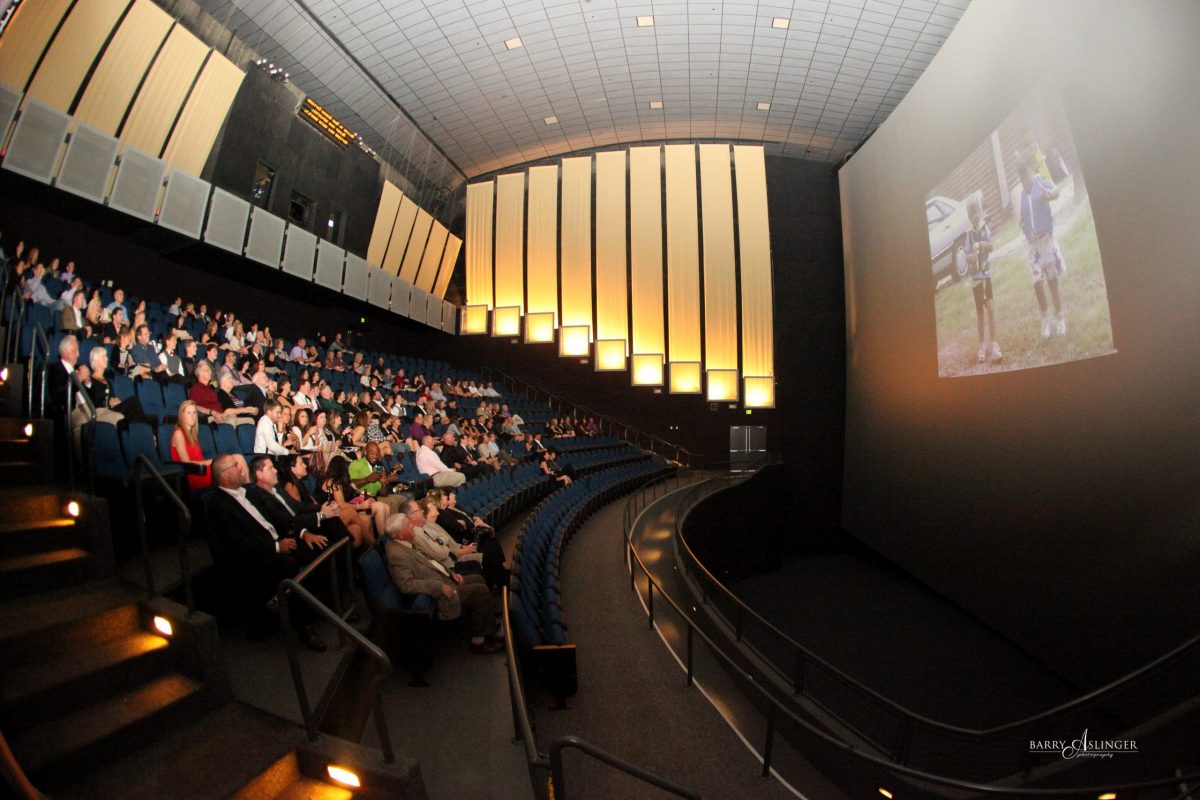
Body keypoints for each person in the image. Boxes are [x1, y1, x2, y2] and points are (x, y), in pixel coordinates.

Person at [206, 454, 327, 652]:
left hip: (276, 541)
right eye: (236, 466)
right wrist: (276, 547)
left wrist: (301, 533)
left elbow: (275, 517)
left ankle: (321, 604)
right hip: (257, 558)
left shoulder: (248, 491)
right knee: (288, 565)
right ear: (224, 474)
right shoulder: (218, 505)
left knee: (317, 546)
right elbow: (237, 545)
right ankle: (304, 628)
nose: (241, 469)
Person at [384, 512, 502, 654]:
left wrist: (451, 573)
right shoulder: (396, 554)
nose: (412, 526)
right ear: (400, 534)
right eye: (408, 525)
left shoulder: (407, 541)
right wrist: (439, 587)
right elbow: (407, 585)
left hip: (444, 577)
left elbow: (432, 561)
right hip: (439, 589)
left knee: (478, 578)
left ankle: (486, 622)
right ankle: (479, 641)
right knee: (479, 591)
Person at [1018, 153, 1066, 341]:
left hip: (1047, 242)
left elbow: (1056, 191)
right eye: (1022, 178)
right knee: (1037, 283)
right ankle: (1045, 318)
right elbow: (1025, 217)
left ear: (1032, 171)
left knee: (1052, 281)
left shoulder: (1040, 182)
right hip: (1034, 246)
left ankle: (1060, 317)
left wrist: (1050, 194)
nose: (1025, 181)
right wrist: (1023, 226)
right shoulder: (1023, 193)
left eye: (1027, 175)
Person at [964, 195, 1000, 364]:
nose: (975, 215)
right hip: (976, 279)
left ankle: (994, 344)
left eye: (977, 211)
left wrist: (984, 246)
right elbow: (966, 255)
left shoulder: (985, 228)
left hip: (986, 274)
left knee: (991, 308)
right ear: (969, 216)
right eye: (972, 213)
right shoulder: (969, 234)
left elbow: (991, 245)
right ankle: (982, 345)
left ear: (980, 210)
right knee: (980, 312)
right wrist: (971, 257)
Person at [349, 441, 410, 514]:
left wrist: (384, 483)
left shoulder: (379, 468)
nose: (375, 456)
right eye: (372, 453)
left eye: (377, 454)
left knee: (402, 498)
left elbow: (383, 494)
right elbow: (351, 485)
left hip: (375, 498)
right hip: (361, 499)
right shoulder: (356, 464)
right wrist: (368, 479)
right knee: (392, 502)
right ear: (365, 452)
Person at [170, 400, 212, 492]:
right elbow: (186, 463)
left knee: (237, 458)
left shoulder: (193, 436)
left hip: (201, 470)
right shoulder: (178, 433)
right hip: (192, 474)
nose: (193, 416)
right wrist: (210, 462)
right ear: (182, 415)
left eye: (194, 413)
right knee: (226, 469)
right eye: (188, 413)